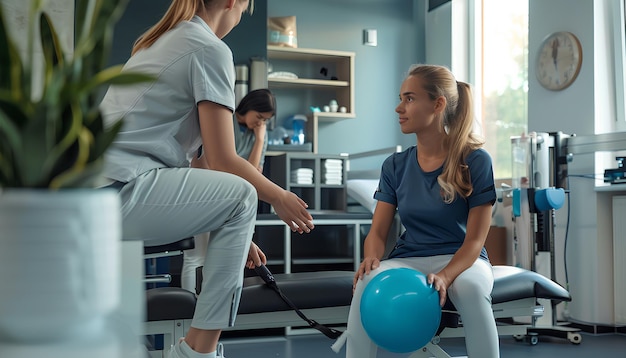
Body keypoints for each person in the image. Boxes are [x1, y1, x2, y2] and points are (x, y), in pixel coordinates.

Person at [98, 1, 314, 358]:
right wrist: (278, 197)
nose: (239, 17)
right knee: (245, 194)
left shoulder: (161, 40)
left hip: (99, 190)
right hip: (120, 188)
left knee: (237, 200)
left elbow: (201, 165)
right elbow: (224, 160)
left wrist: (237, 232)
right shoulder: (209, 49)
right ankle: (198, 352)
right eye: (244, 10)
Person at [342, 64, 499, 358]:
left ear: (438, 104)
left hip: (463, 259)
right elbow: (378, 231)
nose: (399, 108)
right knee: (365, 283)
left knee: (471, 291)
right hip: (409, 258)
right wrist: (371, 259)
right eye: (401, 98)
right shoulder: (395, 166)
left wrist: (446, 275)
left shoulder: (475, 160)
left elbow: (475, 242)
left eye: (410, 98)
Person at [181, 88, 276, 293]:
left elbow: (253, 174)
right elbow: (221, 162)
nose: (260, 123)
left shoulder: (259, 134)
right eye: (259, 117)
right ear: (249, 107)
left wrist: (259, 140)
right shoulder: (223, 118)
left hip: (238, 201)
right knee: (197, 255)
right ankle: (189, 309)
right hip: (207, 190)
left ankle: (217, 311)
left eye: (265, 120)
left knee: (229, 258)